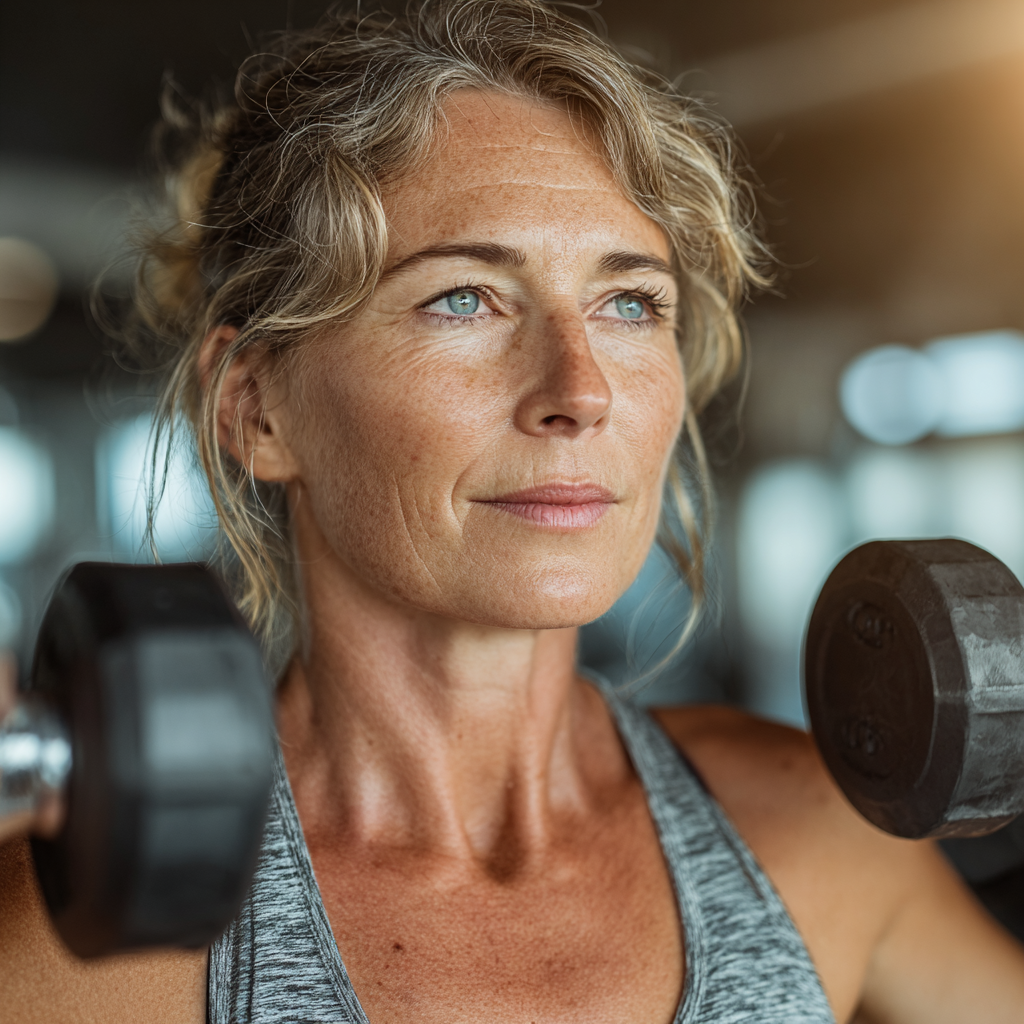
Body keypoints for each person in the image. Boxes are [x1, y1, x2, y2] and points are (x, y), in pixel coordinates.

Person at [3, 2, 1024, 1021]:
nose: (578, 389)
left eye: (629, 304)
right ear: (257, 407)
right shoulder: (88, 939)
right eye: (464, 298)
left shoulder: (812, 829)